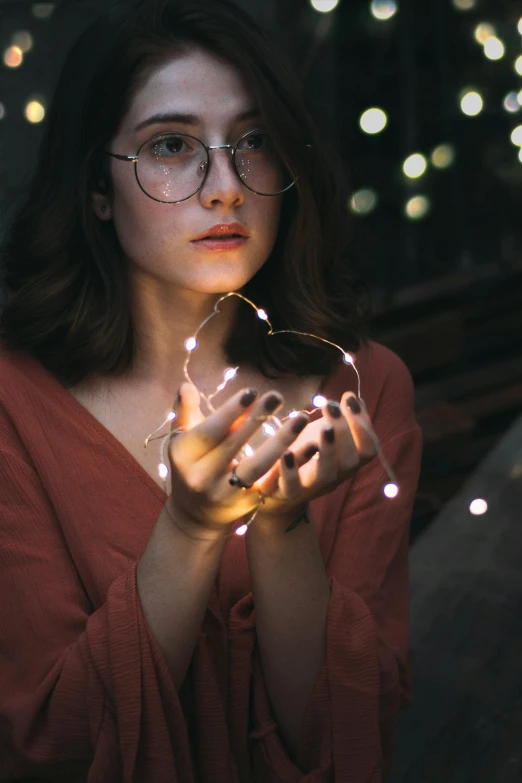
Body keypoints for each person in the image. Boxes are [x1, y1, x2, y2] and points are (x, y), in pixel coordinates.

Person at [0, 0, 422, 780]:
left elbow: (345, 739)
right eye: (172, 145)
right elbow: (50, 741)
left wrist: (284, 525)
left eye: (253, 141)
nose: (226, 186)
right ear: (98, 185)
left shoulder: (364, 389)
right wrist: (189, 530)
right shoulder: (14, 408)